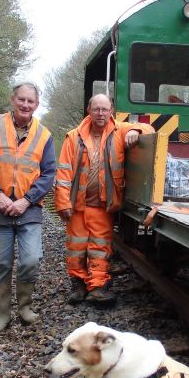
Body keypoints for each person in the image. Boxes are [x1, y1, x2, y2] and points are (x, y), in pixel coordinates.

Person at [55, 94, 154, 305]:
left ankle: (97, 287)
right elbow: (63, 173)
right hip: (78, 205)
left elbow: (150, 129)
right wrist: (63, 203)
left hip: (102, 204)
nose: (100, 113)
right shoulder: (73, 137)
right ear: (89, 110)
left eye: (105, 109)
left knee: (99, 247)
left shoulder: (120, 131)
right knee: (76, 246)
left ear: (111, 112)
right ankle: (79, 285)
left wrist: (136, 130)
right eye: (96, 109)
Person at [0, 83, 56, 332]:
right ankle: (2, 314)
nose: (25, 105)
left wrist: (26, 200)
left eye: (30, 101)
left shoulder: (44, 135)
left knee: (30, 259)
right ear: (13, 99)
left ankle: (24, 307)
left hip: (28, 208)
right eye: (21, 99)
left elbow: (49, 172)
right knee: (2, 262)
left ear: (37, 105)